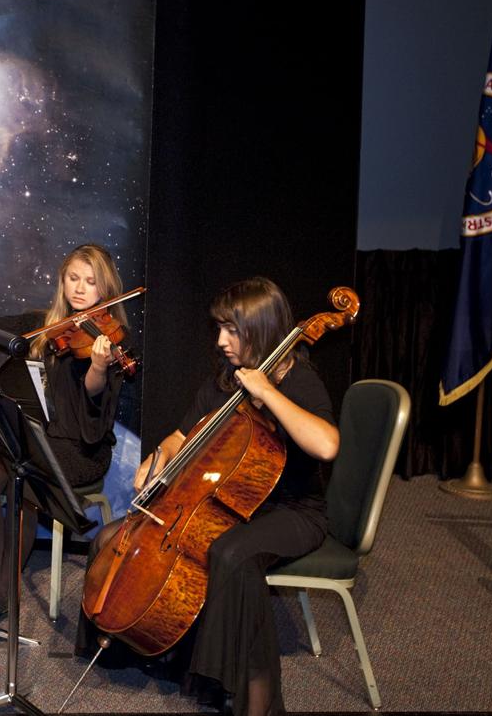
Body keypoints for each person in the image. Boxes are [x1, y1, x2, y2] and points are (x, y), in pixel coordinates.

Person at [81, 276, 338, 716]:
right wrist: (156, 459)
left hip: (293, 510)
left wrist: (267, 392)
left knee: (232, 555)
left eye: (231, 330)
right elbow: (183, 434)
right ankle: (139, 649)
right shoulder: (224, 379)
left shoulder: (298, 377)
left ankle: (253, 696)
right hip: (230, 503)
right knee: (108, 538)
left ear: (259, 329)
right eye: (219, 328)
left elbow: (327, 445)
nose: (220, 340)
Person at [0, 243, 130, 625]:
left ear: (104, 290)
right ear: (62, 281)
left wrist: (100, 367)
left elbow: (92, 393)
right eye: (73, 278)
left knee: (27, 479)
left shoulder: (112, 340)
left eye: (90, 282)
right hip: (32, 436)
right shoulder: (42, 325)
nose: (80, 288)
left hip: (78, 450)